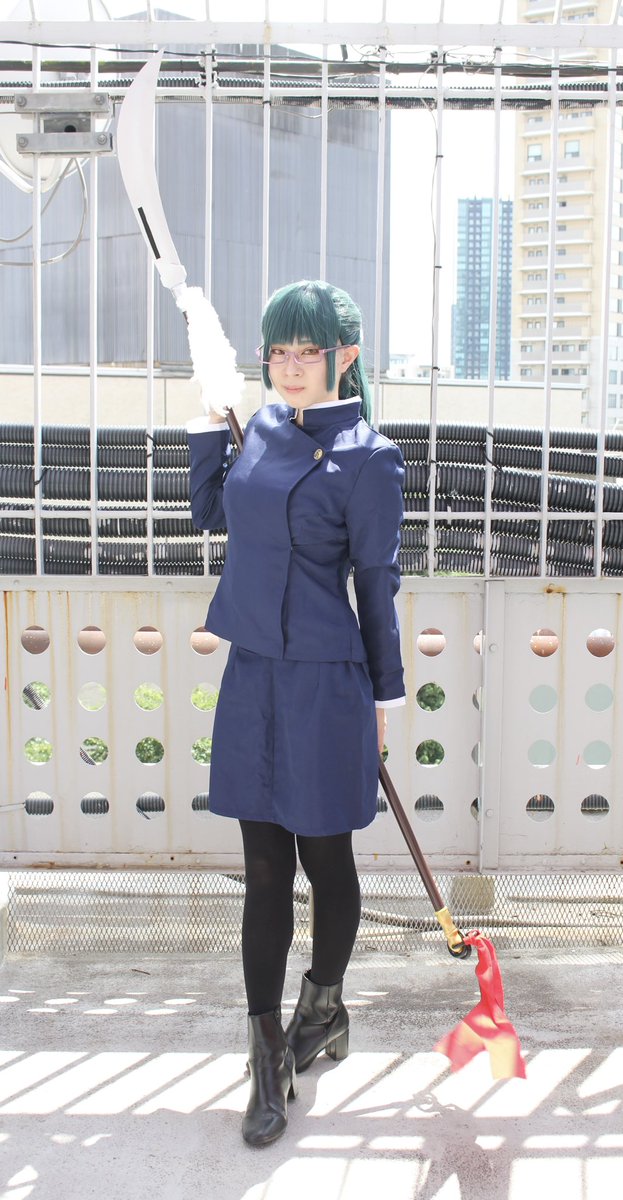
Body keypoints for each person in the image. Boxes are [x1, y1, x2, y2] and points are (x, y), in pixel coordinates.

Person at [187, 279, 405, 1148]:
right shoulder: (264, 429)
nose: (288, 366)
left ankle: (322, 1007)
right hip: (253, 677)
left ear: (343, 356)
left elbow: (376, 585)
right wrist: (209, 419)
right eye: (277, 351)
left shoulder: (370, 457)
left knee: (325, 857)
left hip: (323, 685)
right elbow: (212, 512)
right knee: (263, 867)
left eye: (305, 351)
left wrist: (384, 696)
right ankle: (266, 1052)